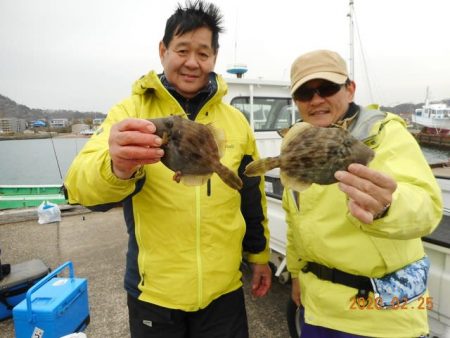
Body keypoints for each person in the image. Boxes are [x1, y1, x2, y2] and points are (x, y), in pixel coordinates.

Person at [64, 1, 272, 337]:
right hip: (155, 295)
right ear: (163, 51)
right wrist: (116, 166)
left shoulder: (236, 121)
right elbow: (78, 187)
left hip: (225, 292)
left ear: (215, 57)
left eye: (203, 53)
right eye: (182, 50)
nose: (192, 62)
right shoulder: (132, 111)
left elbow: (250, 194)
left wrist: (259, 255)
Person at [284, 49, 443, 338]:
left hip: (382, 318)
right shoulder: (299, 146)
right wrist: (296, 274)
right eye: (305, 93)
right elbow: (296, 222)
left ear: (350, 89)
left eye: (328, 88)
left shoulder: (384, 134)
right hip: (317, 310)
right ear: (296, 102)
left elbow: (427, 206)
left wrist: (387, 207)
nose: (317, 99)